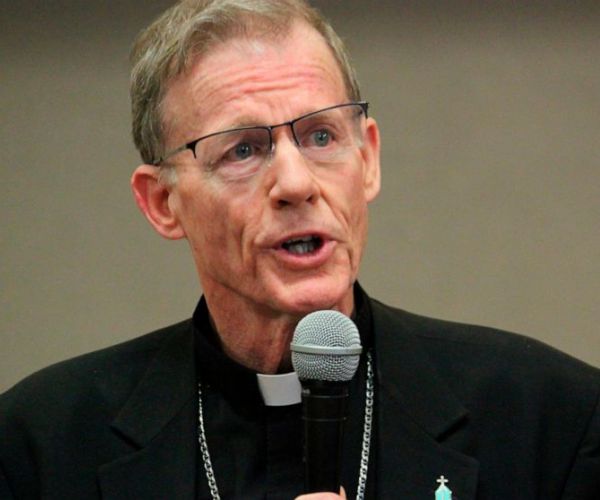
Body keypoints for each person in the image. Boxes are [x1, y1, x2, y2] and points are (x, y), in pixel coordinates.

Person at [1, 0, 599, 498]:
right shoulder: (37, 447)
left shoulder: (554, 421)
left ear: (368, 159)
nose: (295, 183)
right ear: (162, 202)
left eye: (320, 135)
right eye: (242, 149)